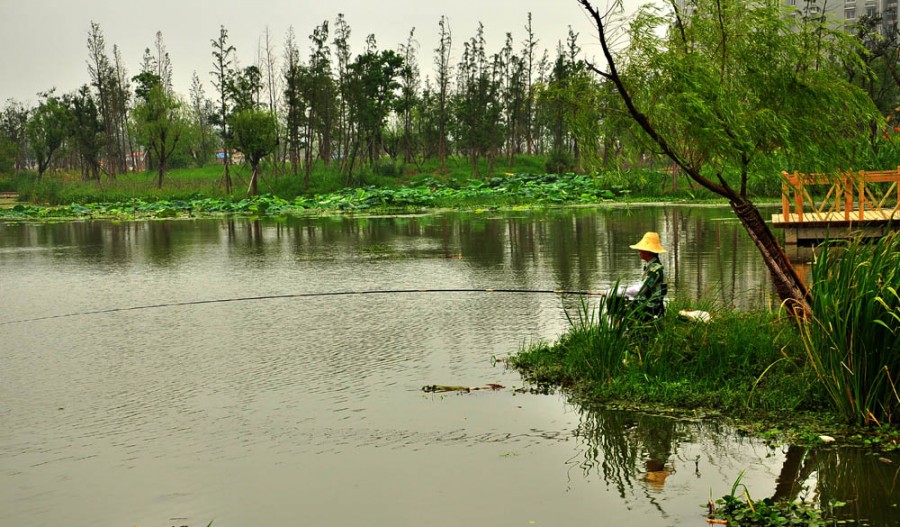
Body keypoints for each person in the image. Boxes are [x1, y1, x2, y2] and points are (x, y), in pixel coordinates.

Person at [628, 231, 668, 319]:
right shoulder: (652, 267)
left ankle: (625, 329)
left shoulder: (655, 270)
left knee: (618, 301)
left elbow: (640, 290)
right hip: (650, 306)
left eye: (641, 249)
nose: (639, 251)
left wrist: (619, 292)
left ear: (647, 252)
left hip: (652, 309)